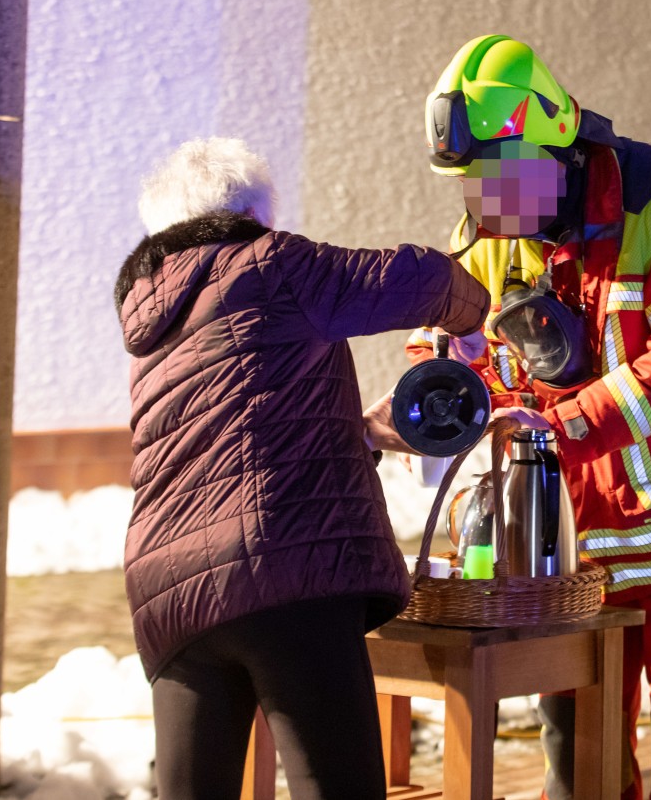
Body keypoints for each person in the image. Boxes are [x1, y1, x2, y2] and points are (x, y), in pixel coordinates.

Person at [408, 35, 651, 800]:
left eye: (496, 180)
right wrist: (432, 390)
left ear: (553, 145)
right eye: (469, 184)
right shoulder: (490, 236)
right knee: (580, 764)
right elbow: (449, 341)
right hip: (576, 564)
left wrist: (563, 426)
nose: (482, 205)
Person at [115, 136, 489, 800]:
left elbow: (229, 430)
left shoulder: (151, 314)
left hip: (170, 592)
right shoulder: (273, 262)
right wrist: (476, 310)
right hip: (285, 572)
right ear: (255, 215)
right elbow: (421, 279)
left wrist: (358, 434)